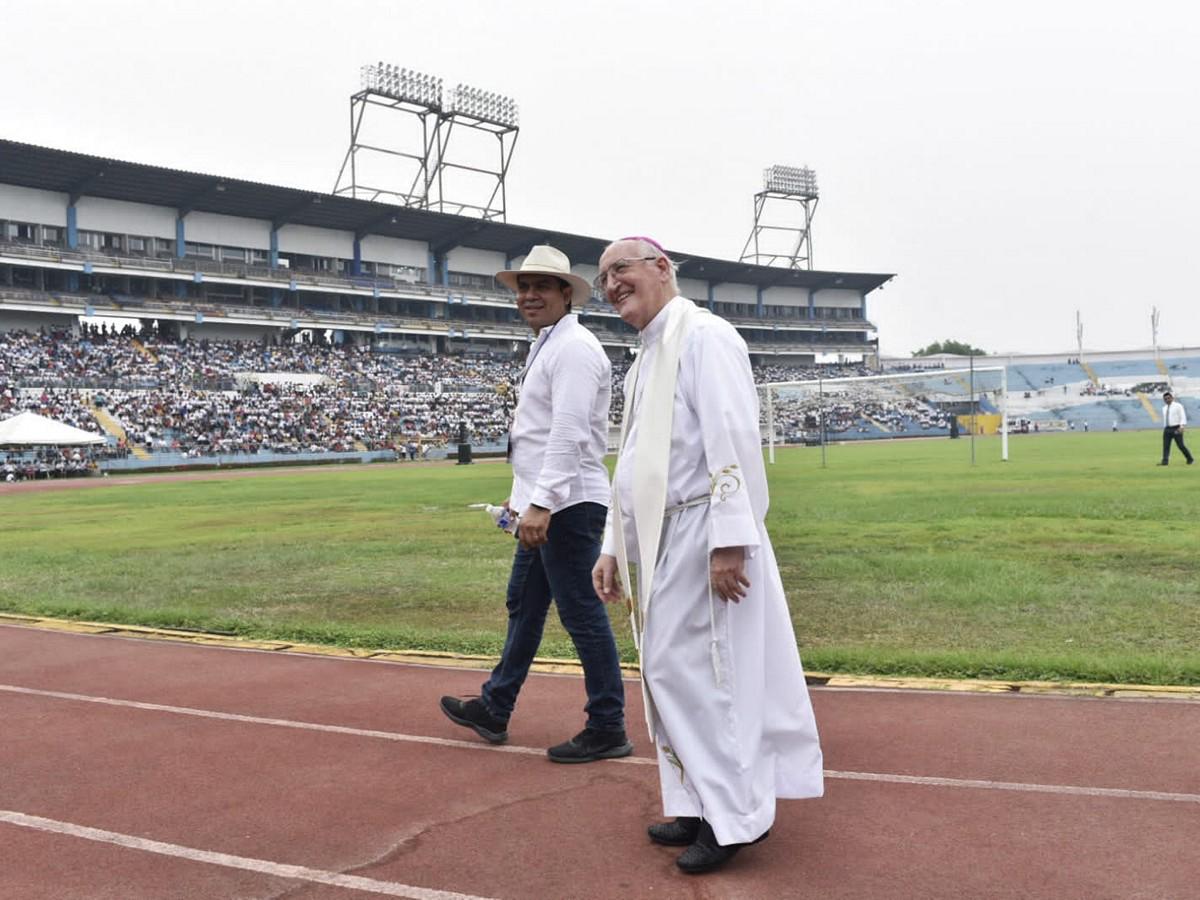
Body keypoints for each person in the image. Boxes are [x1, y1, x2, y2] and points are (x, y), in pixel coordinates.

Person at [591, 237, 823, 874]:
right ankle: (696, 800)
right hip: (666, 538)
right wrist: (615, 544)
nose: (611, 284)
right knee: (669, 673)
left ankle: (735, 817)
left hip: (703, 532)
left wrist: (729, 541)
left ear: (662, 268)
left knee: (709, 676)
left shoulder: (705, 337)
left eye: (621, 269)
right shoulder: (645, 360)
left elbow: (732, 436)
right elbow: (632, 465)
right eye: (603, 276)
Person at [440, 245, 632, 763]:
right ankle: (495, 706)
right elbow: (544, 433)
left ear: (566, 293)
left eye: (541, 286)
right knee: (523, 604)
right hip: (548, 500)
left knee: (582, 614)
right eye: (523, 286)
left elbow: (568, 434)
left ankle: (608, 724)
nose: (528, 295)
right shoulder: (549, 344)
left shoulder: (573, 348)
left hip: (568, 505)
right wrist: (524, 497)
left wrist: (542, 503)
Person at [1158, 391, 1194, 466]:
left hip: (1176, 428)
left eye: (1168, 398)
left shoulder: (1178, 406)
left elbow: (1182, 416)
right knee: (1166, 446)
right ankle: (1165, 462)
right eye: (1165, 399)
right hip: (1167, 428)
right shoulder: (1164, 408)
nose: (1167, 400)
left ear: (1172, 398)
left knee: (1180, 445)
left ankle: (1190, 458)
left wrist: (1182, 426)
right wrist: (1165, 427)